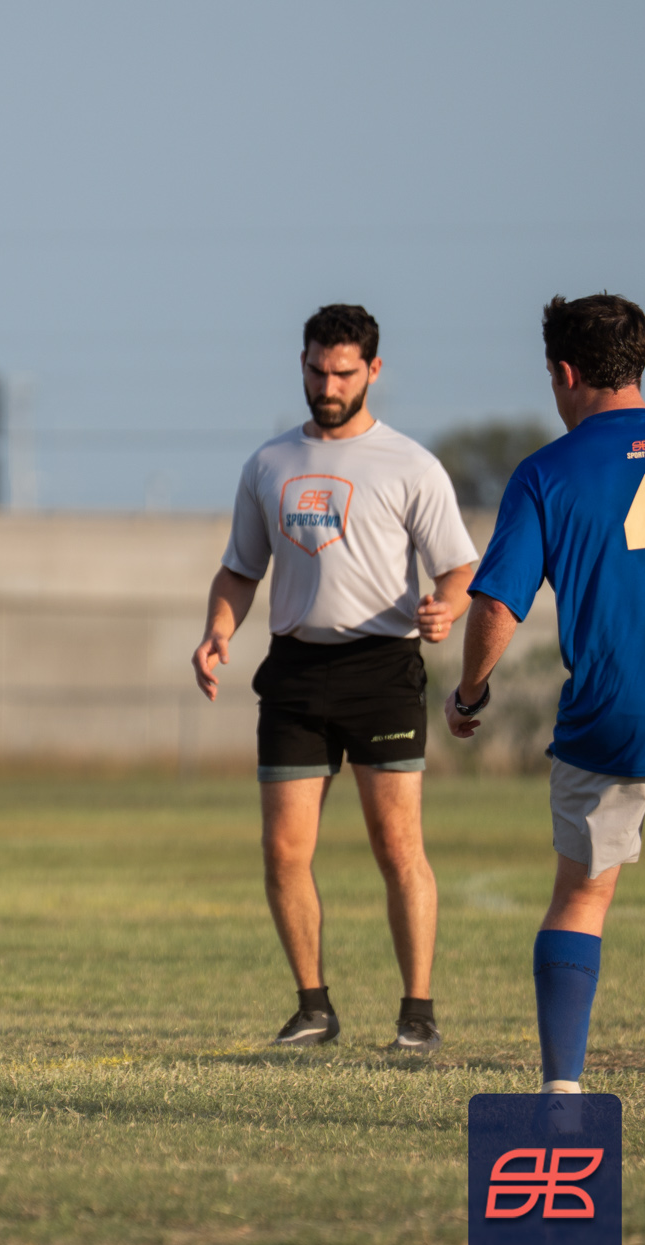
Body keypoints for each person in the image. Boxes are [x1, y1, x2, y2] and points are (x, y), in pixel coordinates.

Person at [447, 294, 645, 1096]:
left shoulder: (546, 472)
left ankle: (563, 1094)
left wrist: (469, 694)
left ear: (565, 372)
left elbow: (497, 606)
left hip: (613, 712)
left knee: (582, 895)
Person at [193, 304, 478, 1053]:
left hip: (382, 671)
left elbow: (459, 569)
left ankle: (418, 1014)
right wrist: (218, 629)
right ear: (303, 363)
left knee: (397, 847)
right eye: (318, 370)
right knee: (284, 851)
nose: (328, 386)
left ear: (373, 370)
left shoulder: (411, 465)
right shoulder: (268, 464)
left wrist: (446, 608)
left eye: (344, 372)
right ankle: (313, 1007)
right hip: (293, 673)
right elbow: (239, 569)